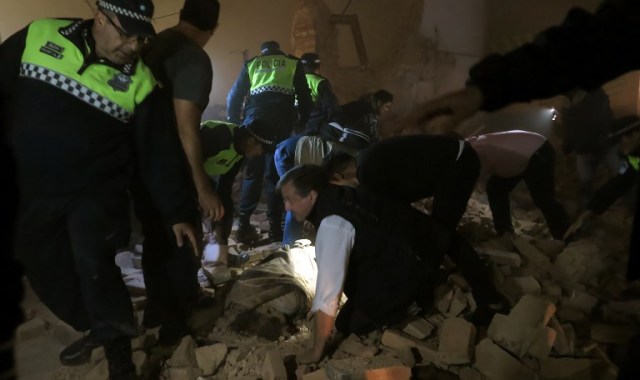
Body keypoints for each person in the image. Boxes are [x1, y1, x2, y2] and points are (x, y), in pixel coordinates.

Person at [395, 2, 640, 377]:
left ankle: (560, 234)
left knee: (542, 198)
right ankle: (508, 229)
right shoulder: (473, 146)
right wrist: (486, 88)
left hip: (536, 154)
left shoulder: (475, 153)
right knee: (497, 193)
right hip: (517, 153)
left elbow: (476, 180)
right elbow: (600, 40)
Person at [0, 0, 199, 378]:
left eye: (142, 38)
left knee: (95, 265)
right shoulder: (39, 35)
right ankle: (94, 324)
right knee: (41, 264)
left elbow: (160, 153)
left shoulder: (142, 82)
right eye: (126, 34)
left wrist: (178, 212)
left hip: (94, 192)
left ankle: (119, 356)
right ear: (100, 18)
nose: (134, 46)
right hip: (32, 189)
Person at [278, 165, 506, 364]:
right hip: (423, 250)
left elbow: (328, 294)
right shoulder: (345, 193)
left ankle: (415, 302)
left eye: (289, 199)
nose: (286, 207)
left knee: (348, 323)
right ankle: (424, 285)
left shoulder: (332, 225)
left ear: (312, 196)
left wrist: (317, 350)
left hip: (409, 270)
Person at [131, 0, 220, 346]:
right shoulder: (194, 58)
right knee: (184, 234)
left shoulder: (153, 43)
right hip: (166, 160)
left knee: (156, 235)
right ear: (213, 27)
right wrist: (202, 186)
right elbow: (187, 127)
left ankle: (156, 310)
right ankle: (177, 324)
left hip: (136, 159)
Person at [226, 40, 313, 244]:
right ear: (278, 49)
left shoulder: (252, 64)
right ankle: (275, 229)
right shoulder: (292, 62)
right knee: (274, 176)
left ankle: (243, 226)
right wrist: (302, 122)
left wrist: (235, 122)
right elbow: (304, 96)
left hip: (253, 124)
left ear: (262, 51)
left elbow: (234, 96)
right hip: (281, 124)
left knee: (252, 176)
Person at [324, 134, 480, 233]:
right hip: (457, 159)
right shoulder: (366, 159)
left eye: (339, 188)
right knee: (436, 228)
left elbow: (386, 211)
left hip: (458, 165)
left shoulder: (367, 172)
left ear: (338, 177)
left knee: (441, 232)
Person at [198, 118, 275, 279]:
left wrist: (220, 219)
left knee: (223, 208)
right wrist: (203, 193)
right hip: (184, 171)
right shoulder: (220, 136)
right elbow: (190, 160)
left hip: (202, 177)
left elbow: (225, 187)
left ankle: (218, 256)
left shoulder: (240, 151)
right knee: (192, 217)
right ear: (251, 140)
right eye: (261, 148)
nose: (260, 153)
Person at [466, 130, 570, 240]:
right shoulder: (470, 147)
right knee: (495, 189)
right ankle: (505, 233)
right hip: (519, 155)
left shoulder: (474, 152)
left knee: (544, 199)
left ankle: (565, 236)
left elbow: (471, 181)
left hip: (537, 151)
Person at [564, 121, 640, 240]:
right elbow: (618, 183)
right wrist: (587, 214)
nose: (621, 145)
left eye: (624, 140)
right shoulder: (635, 158)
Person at [559, 87, 622, 206]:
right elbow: (568, 130)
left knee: (620, 173)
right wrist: (567, 147)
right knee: (585, 182)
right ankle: (589, 211)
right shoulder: (567, 104)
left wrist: (603, 135)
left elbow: (601, 119)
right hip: (585, 149)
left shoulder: (594, 94)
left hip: (603, 145)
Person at [320, 89, 394, 149]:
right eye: (386, 106)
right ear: (379, 103)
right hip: (332, 133)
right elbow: (374, 137)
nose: (387, 110)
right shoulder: (368, 111)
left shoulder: (363, 104)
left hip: (327, 129)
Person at [299, 52, 340, 135]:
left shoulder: (294, 81)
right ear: (317, 66)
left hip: (297, 127)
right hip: (316, 125)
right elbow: (330, 106)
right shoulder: (320, 81)